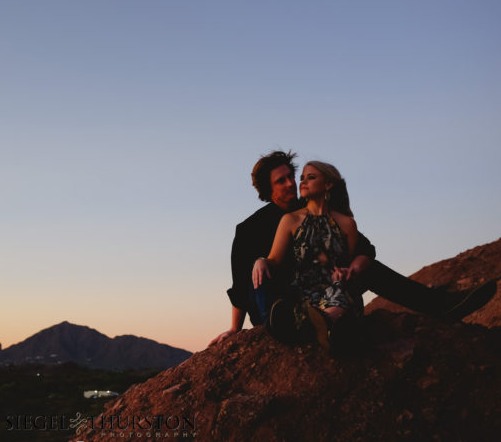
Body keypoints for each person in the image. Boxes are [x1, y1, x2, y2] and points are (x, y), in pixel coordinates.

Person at [209, 150, 496, 348]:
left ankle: (442, 306)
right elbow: (240, 288)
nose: (290, 184)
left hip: (321, 289)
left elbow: (364, 247)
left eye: (290, 177)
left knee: (364, 263)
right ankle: (294, 322)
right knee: (261, 272)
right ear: (266, 191)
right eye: (280, 181)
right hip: (279, 302)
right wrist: (236, 329)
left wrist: (356, 265)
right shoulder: (247, 230)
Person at [253, 161, 362, 351]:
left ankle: (324, 323)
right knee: (288, 306)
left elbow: (351, 263)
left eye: (310, 178)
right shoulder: (290, 220)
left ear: (328, 184)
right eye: (302, 177)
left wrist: (349, 271)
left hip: (337, 290)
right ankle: (325, 326)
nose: (301, 182)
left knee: (341, 293)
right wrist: (261, 261)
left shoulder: (347, 224)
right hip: (303, 293)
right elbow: (274, 260)